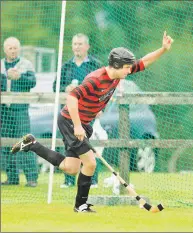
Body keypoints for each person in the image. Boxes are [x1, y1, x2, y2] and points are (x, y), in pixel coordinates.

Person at [11, 31, 173, 212]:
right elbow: (72, 98)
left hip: (84, 123)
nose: (130, 70)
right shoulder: (96, 79)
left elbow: (144, 62)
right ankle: (80, 206)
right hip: (71, 121)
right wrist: (78, 125)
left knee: (71, 168)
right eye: (127, 67)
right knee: (90, 163)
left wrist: (163, 49)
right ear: (117, 65)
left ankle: (32, 144)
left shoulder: (119, 74)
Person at [53, 33, 101, 189]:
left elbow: (102, 89)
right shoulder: (66, 66)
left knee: (87, 143)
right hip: (68, 113)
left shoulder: (95, 66)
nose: (77, 47)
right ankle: (68, 180)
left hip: (87, 112)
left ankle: (92, 180)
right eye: (75, 44)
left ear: (87, 46)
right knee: (69, 143)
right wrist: (65, 88)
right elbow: (55, 86)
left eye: (80, 44)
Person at [1, 37, 38, 187]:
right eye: (10, 48)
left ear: (19, 49)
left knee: (25, 142)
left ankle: (31, 178)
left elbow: (33, 82)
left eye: (15, 48)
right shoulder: (0, 65)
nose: (13, 50)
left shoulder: (26, 64)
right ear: (5, 50)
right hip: (3, 111)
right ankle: (12, 178)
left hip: (20, 110)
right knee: (6, 145)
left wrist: (19, 77)